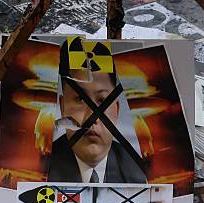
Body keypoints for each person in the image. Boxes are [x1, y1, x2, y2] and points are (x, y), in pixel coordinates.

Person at [47, 41, 147, 184]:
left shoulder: (140, 174)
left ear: (117, 110)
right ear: (63, 108)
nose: (91, 117)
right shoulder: (39, 169)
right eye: (80, 99)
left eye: (102, 101)